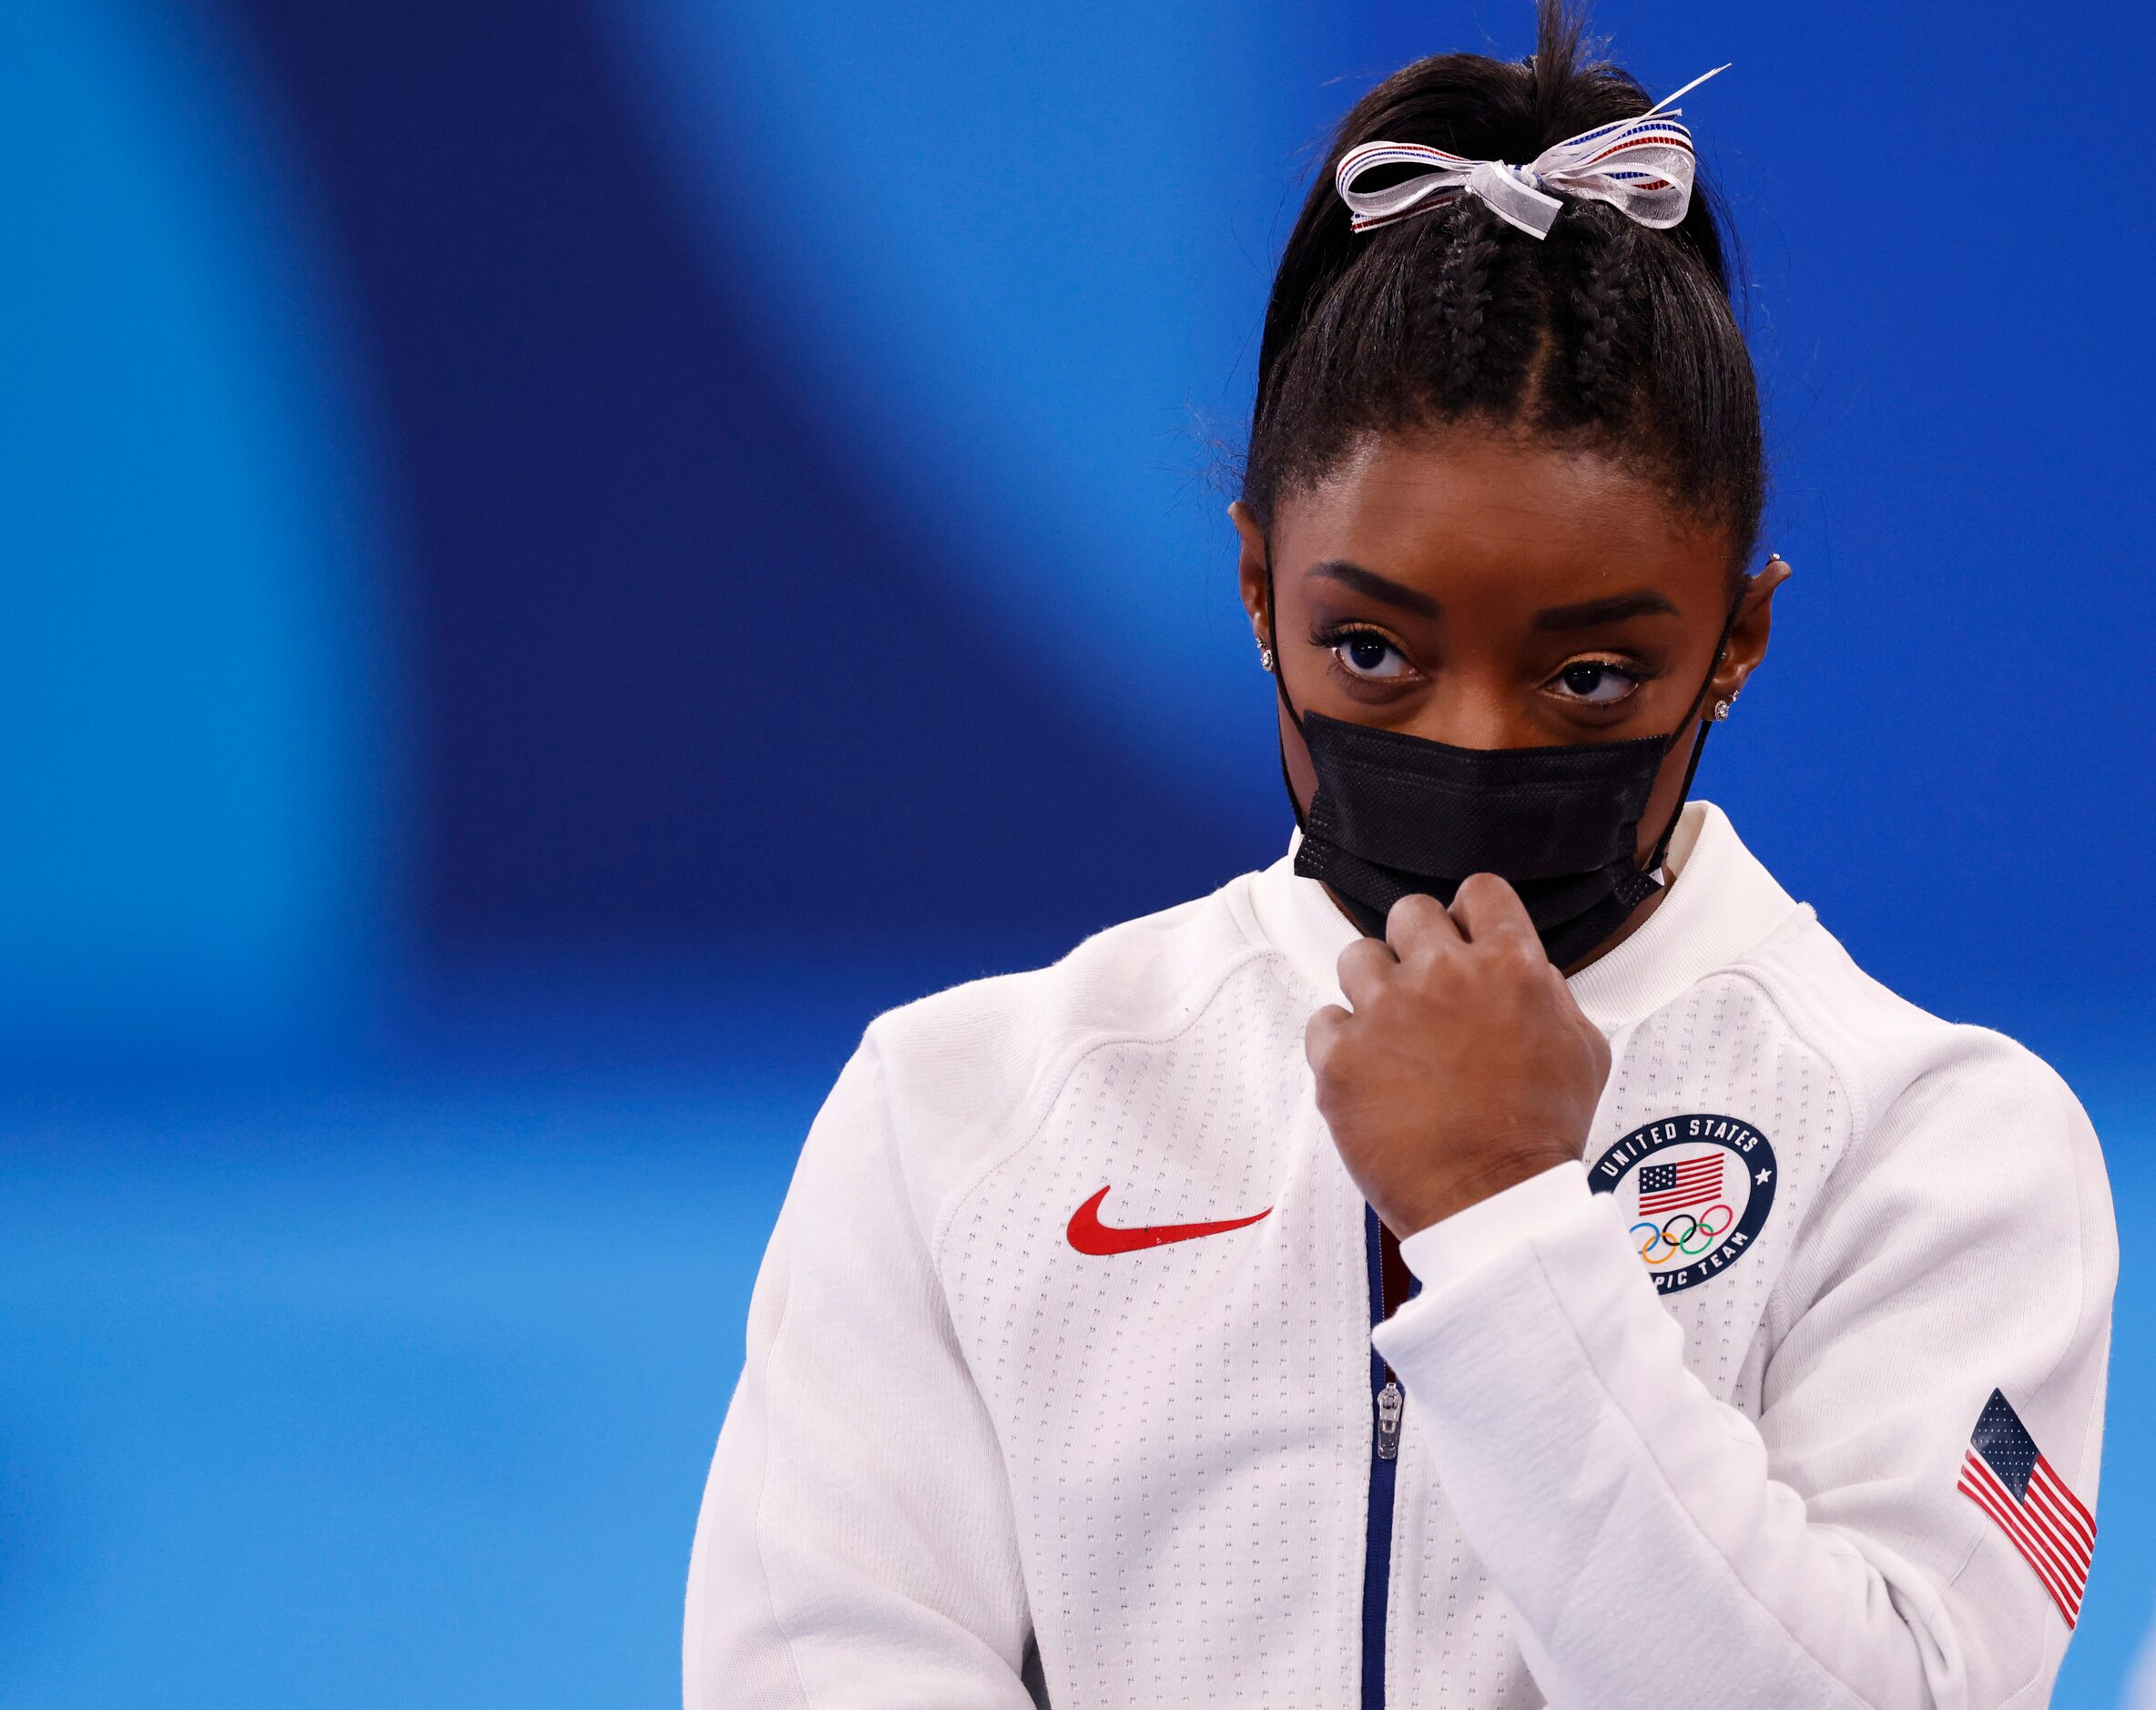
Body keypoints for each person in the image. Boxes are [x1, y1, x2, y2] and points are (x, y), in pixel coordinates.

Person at [684, 6, 2115, 1705]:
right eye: (1373, 651)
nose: (1475, 743)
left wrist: (1510, 1231)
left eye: (1590, 675)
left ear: (1737, 638)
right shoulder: (959, 1120)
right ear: (1254, 587)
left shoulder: (1941, 1151)